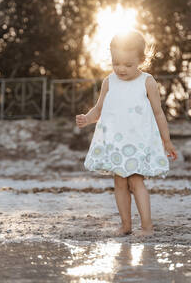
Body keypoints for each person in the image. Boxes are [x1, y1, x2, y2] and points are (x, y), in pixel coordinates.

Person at [75, 30, 178, 237]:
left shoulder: (147, 82)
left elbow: (158, 113)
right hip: (115, 142)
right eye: (116, 63)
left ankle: (147, 227)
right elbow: (99, 110)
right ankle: (125, 225)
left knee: (135, 181)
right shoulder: (109, 82)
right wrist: (87, 118)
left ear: (141, 60)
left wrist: (166, 141)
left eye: (128, 65)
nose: (121, 69)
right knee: (119, 182)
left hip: (138, 142)